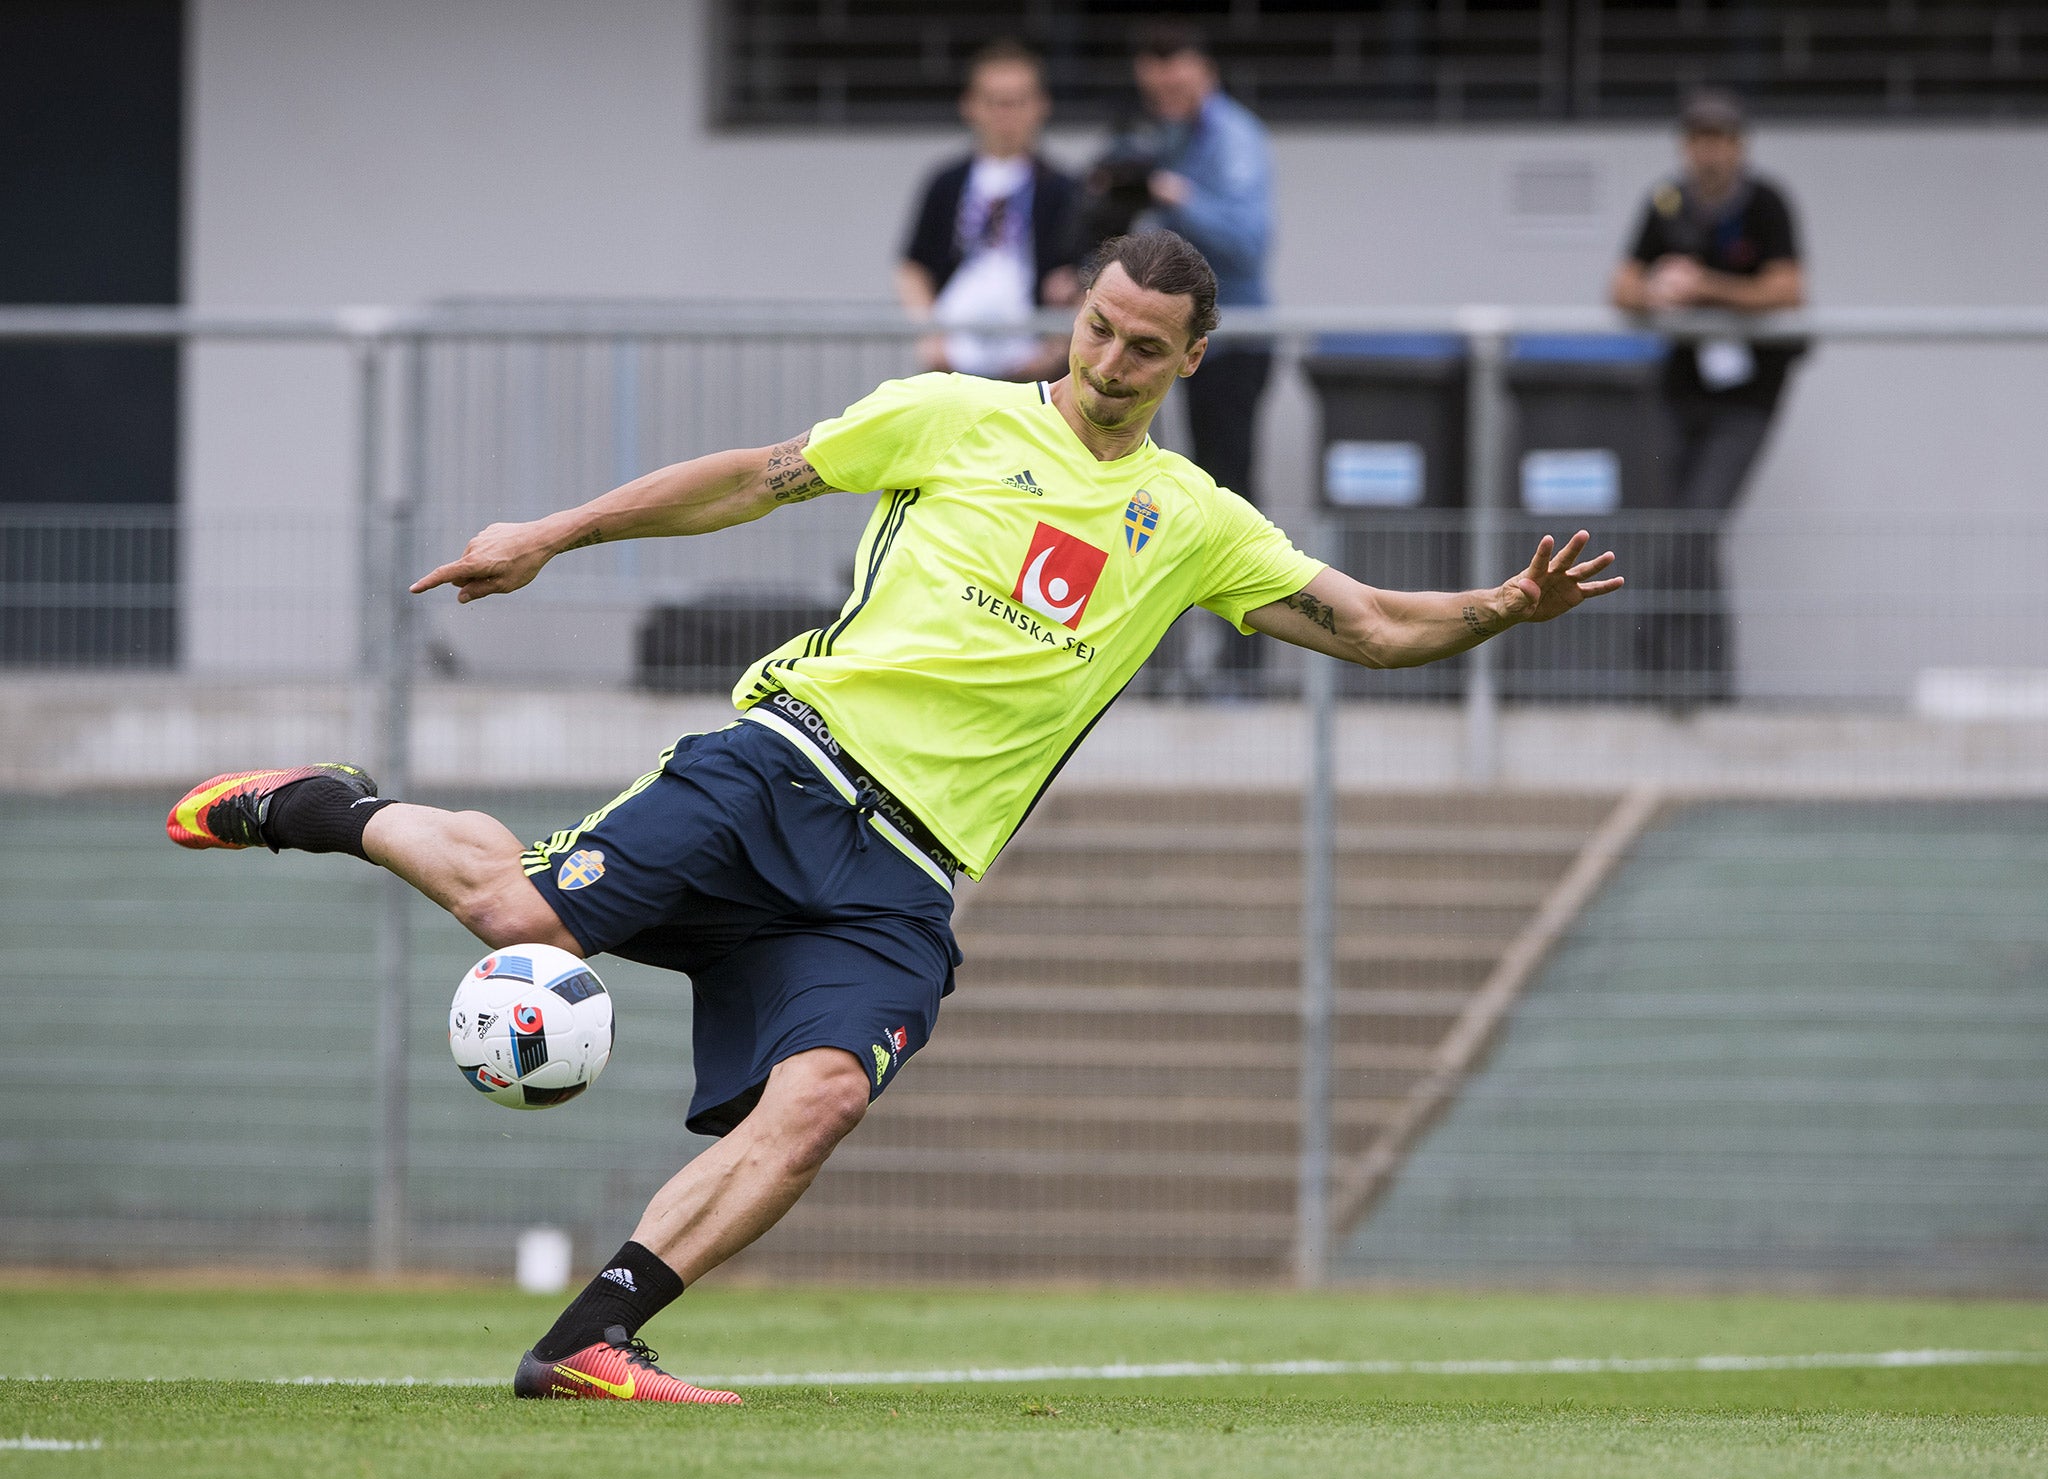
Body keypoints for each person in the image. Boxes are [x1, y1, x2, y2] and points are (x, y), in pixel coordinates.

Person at [165, 229, 1620, 1405]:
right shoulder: (951, 413)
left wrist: (1503, 607)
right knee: (513, 917)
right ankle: (329, 807)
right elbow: (753, 477)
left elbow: (1366, 626)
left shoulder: (1192, 521)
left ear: (1190, 361)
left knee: (822, 1102)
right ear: (1078, 314)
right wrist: (554, 534)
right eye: (1100, 328)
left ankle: (590, 1340)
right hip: (785, 766)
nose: (1112, 361)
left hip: (903, 879)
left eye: (1146, 347)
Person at [1094, 22, 1276, 693]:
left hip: (1232, 348)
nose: (1164, 95)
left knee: (1225, 496)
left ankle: (1242, 669)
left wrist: (1172, 194)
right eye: (1154, 85)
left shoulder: (1234, 138)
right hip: (1163, 341)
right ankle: (1159, 662)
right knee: (1153, 495)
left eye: (1176, 83)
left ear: (1205, 72)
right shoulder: (1158, 131)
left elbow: (1249, 242)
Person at [1610, 87, 1806, 699]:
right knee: (1682, 529)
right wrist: (1659, 292)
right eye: (1698, 139)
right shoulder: (1666, 202)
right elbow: (1621, 286)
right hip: (1679, 392)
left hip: (1747, 399)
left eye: (1720, 139)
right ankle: (1699, 679)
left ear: (1739, 146)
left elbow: (1786, 289)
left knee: (1696, 524)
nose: (1709, 152)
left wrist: (1706, 289)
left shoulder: (1767, 203)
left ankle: (1672, 664)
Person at [897, 39, 1082, 382]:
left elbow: (1083, 275)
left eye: (1017, 102)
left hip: (1032, 366)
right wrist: (931, 337)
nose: (1005, 114)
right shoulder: (947, 183)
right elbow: (914, 266)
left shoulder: (1063, 189)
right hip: (954, 361)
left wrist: (1055, 349)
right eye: (994, 102)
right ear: (970, 105)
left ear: (1041, 105)